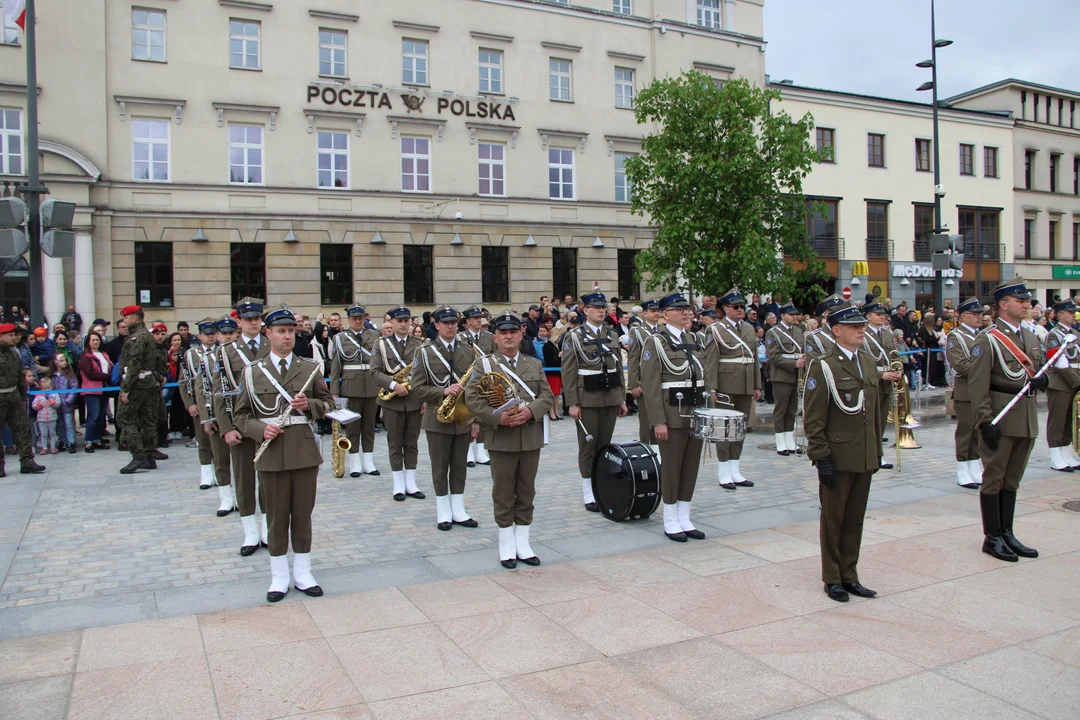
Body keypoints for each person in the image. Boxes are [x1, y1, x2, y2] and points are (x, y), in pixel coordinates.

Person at [232, 305, 333, 602]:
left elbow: (329, 404)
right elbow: (240, 415)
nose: (287, 336)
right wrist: (258, 429)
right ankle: (279, 575)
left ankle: (303, 572)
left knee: (303, 515)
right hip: (271, 452)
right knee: (275, 517)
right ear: (268, 334)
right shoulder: (252, 372)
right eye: (281, 331)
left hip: (303, 450)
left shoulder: (309, 368)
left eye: (291, 331)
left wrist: (310, 406)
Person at [803, 301, 881, 603]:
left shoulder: (868, 361)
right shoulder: (823, 365)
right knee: (833, 519)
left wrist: (876, 452)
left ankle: (851, 574)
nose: (861, 330)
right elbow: (814, 417)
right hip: (837, 455)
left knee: (855, 518)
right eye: (854, 326)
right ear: (836, 330)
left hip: (863, 454)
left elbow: (873, 411)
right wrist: (820, 456)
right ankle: (833, 577)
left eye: (862, 325)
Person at [463, 311, 553, 568]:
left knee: (526, 490)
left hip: (530, 437)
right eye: (503, 332)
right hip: (501, 438)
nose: (509, 336)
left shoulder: (533, 363)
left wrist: (531, 411)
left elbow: (546, 396)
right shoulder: (484, 365)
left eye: (513, 331)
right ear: (496, 337)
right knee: (503, 491)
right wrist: (496, 418)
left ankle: (523, 543)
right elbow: (472, 399)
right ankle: (506, 543)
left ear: (521, 333)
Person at [969, 278, 1045, 563]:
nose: (1027, 304)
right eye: (1020, 300)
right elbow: (978, 385)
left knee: (1012, 479)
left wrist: (1042, 382)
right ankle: (993, 537)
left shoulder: (1031, 337)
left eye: (1027, 300)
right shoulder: (987, 339)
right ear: (1002, 305)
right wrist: (985, 421)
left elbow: (1031, 375)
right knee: (994, 478)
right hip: (1000, 418)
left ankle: (1007, 532)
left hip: (1025, 417)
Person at [640, 292, 710, 542]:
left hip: (695, 412)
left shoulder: (693, 338)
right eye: (678, 309)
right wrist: (658, 421)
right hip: (672, 414)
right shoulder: (656, 342)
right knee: (671, 468)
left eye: (687, 309)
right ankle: (670, 519)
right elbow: (650, 385)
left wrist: (708, 411)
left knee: (690, 466)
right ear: (665, 314)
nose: (685, 313)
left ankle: (685, 517)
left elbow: (702, 377)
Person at [411, 306, 480, 531]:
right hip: (437, 417)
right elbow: (417, 388)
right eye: (446, 322)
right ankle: (443, 510)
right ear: (437, 325)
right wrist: (441, 391)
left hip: (463, 418)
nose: (451, 326)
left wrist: (475, 420)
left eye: (454, 322)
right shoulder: (424, 351)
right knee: (440, 467)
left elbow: (475, 387)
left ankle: (458, 509)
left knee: (460, 465)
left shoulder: (468, 350)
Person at [560, 291, 628, 512]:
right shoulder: (575, 336)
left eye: (603, 307)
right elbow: (569, 371)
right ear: (585, 310)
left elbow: (617, 367)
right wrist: (572, 403)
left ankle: (601, 487)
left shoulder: (612, 334)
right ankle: (588, 491)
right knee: (588, 446)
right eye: (596, 307)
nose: (601, 310)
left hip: (609, 396)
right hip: (587, 398)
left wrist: (621, 398)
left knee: (604, 445)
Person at [216, 298, 271, 556]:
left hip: (268, 423)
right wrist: (226, 428)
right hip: (239, 423)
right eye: (248, 319)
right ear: (238, 322)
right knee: (244, 479)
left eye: (257, 318)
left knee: (269, 477)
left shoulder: (272, 346)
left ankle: (268, 529)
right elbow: (219, 393)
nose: (253, 322)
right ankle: (250, 532)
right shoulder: (226, 351)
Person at [704, 289, 761, 489]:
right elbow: (710, 361)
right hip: (726, 385)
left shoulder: (748, 328)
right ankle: (723, 470)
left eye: (741, 307)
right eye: (735, 307)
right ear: (726, 309)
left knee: (740, 428)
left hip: (745, 384)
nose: (740, 310)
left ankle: (735, 469)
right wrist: (711, 388)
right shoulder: (716, 329)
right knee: (724, 428)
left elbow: (753, 358)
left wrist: (756, 385)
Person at [179, 319, 235, 516]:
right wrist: (204, 414)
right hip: (216, 412)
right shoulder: (200, 357)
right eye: (222, 332)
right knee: (217, 455)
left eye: (231, 332)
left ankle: (242, 497)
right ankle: (226, 497)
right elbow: (199, 387)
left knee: (243, 461)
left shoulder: (240, 355)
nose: (225, 336)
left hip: (240, 415)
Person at [372, 306, 426, 501]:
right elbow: (375, 371)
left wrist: (424, 398)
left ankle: (411, 482)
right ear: (392, 323)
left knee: (411, 442)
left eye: (406, 321)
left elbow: (425, 374)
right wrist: (394, 385)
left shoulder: (420, 344)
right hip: (392, 400)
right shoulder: (381, 344)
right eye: (399, 321)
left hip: (414, 399)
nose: (403, 325)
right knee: (395, 442)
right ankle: (398, 484)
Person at [328, 303, 382, 478]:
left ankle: (368, 460)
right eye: (354, 319)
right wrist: (334, 392)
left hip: (371, 385)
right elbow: (335, 368)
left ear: (364, 318)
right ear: (349, 320)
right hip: (351, 387)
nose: (357, 321)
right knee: (352, 426)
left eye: (360, 318)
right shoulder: (340, 338)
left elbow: (379, 363)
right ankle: (354, 461)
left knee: (369, 425)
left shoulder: (374, 335)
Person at [116, 306, 165, 474]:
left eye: (126, 318)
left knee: (125, 419)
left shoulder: (138, 337)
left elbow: (135, 364)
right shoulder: (148, 335)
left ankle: (138, 456)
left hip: (137, 384)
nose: (124, 321)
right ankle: (150, 456)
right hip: (148, 383)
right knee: (147, 420)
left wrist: (126, 388)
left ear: (134, 319)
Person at [945, 298, 985, 488]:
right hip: (966, 390)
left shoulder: (981, 335)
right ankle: (962, 468)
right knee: (966, 431)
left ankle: (974, 465)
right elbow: (960, 364)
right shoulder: (956, 337)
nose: (980, 317)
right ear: (963, 317)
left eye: (980, 314)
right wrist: (986, 372)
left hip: (981, 390)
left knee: (978, 431)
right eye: (975, 314)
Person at [861, 302, 904, 469]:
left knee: (882, 421)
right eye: (877, 314)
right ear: (868, 316)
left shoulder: (887, 334)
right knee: (871, 421)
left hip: (887, 383)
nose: (882, 316)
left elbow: (894, 355)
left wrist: (897, 369)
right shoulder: (863, 335)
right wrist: (881, 374)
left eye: (883, 314)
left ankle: (879, 454)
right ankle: (870, 453)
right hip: (872, 382)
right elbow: (862, 361)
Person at [765, 302, 806, 456]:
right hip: (782, 375)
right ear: (782, 315)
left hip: (796, 374)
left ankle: (789, 439)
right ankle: (780, 440)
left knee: (792, 409)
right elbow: (774, 356)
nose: (795, 317)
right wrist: (794, 363)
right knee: (781, 409)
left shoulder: (797, 331)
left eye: (795, 314)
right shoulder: (773, 332)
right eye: (791, 314)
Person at [1044, 299, 1080, 471]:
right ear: (1059, 315)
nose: (1074, 315)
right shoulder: (1054, 335)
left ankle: (1065, 451)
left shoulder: (1075, 333)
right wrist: (1077, 381)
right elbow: (1058, 361)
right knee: (1057, 420)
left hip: (1074, 381)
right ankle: (1055, 455)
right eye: (1070, 313)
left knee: (1069, 420)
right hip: (1060, 383)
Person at [625, 299, 661, 455]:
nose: (656, 313)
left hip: (662, 382)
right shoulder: (638, 332)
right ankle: (647, 452)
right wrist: (633, 384)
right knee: (647, 421)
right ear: (644, 313)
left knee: (661, 419)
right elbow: (633, 359)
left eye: (657, 311)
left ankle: (659, 453)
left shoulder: (663, 330)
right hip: (645, 382)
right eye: (652, 311)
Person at [461, 306, 495, 466]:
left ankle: (481, 449)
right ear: (467, 321)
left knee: (483, 414)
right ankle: (467, 449)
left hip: (485, 382)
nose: (478, 321)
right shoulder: (460, 338)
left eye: (479, 318)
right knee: (467, 414)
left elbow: (495, 358)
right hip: (466, 381)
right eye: (474, 318)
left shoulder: (489, 337)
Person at [49, 354, 79, 454]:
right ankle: (63, 441)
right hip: (56, 404)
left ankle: (72, 442)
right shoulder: (52, 375)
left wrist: (68, 400)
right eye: (61, 360)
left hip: (67, 404)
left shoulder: (69, 374)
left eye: (65, 360)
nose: (64, 362)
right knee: (59, 423)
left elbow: (74, 387)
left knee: (69, 423)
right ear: (55, 362)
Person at [805, 294, 844, 361]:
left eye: (839, 311)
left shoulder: (850, 333)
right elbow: (814, 365)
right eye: (832, 311)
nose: (836, 314)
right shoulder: (815, 338)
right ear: (825, 313)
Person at [31, 376, 61, 455]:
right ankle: (44, 448)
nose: (47, 389)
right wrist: (39, 405)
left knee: (53, 433)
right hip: (41, 419)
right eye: (44, 388)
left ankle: (53, 447)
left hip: (52, 418)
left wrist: (52, 402)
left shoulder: (54, 395)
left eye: (48, 387)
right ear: (41, 389)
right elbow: (33, 406)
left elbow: (58, 404)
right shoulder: (39, 396)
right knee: (43, 434)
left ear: (51, 387)